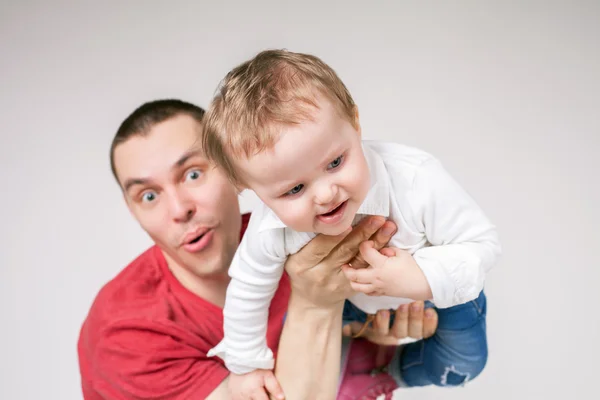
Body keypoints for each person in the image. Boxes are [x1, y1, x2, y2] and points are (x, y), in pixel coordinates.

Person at [77, 99, 438, 400]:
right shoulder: (125, 335)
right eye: (149, 196)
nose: (179, 209)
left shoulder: (293, 234)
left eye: (192, 174)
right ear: (132, 211)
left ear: (235, 174)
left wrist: (369, 330)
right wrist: (315, 301)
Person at [201, 49, 502, 397]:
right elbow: (247, 289)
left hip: (440, 287)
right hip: (350, 302)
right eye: (295, 189)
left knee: (463, 364)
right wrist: (246, 366)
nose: (327, 194)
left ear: (355, 123)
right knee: (292, 343)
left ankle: (398, 370)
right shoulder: (270, 228)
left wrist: (420, 277)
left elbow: (484, 245)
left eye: (335, 163)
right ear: (252, 190)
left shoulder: (415, 180)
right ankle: (365, 368)